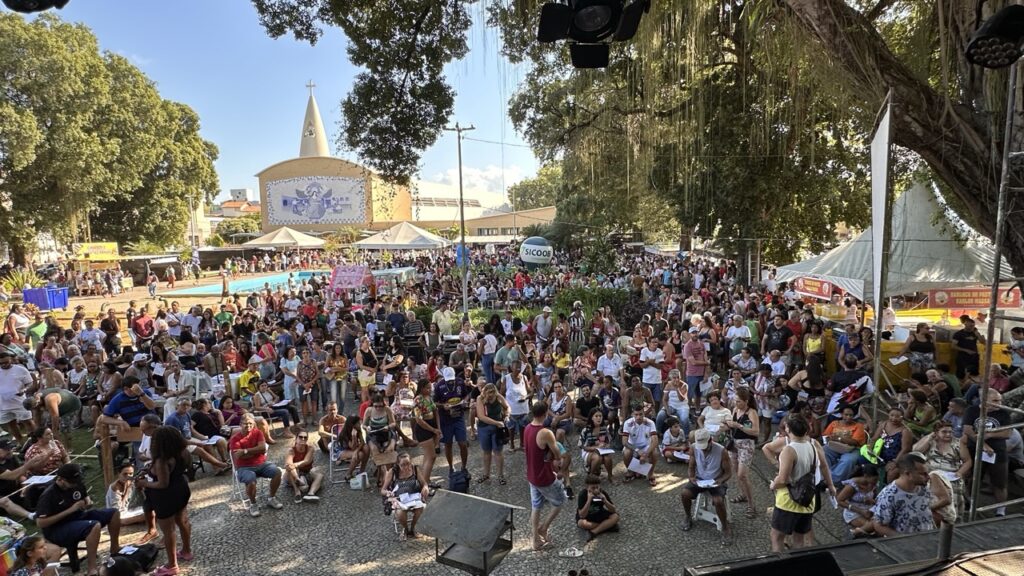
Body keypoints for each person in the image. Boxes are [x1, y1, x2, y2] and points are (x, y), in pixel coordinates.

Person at [36, 463, 121, 576]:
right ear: (60, 479)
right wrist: (70, 510)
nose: (74, 484)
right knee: (94, 526)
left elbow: (85, 497)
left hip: (78, 516)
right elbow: (40, 523)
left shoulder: (77, 483)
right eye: (71, 482)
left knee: (113, 513)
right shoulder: (48, 495)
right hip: (57, 528)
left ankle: (115, 549)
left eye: (76, 481)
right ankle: (92, 568)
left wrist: (88, 502)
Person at [768, 415, 835, 552]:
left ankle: (779, 564)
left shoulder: (789, 450)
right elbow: (824, 466)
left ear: (789, 430)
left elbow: (783, 480)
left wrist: (773, 485)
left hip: (789, 501)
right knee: (799, 538)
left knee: (776, 536)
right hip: (807, 500)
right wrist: (831, 485)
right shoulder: (813, 445)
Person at [135, 426, 193, 576]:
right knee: (182, 520)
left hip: (165, 496)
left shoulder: (162, 460)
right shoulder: (183, 452)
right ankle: (186, 551)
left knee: (169, 531)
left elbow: (162, 484)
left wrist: (143, 483)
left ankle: (172, 565)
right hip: (181, 488)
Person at [524, 400, 566, 552]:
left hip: (532, 475)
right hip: (544, 477)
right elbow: (557, 452)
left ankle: (535, 540)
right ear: (545, 413)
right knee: (560, 501)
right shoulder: (545, 432)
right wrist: (558, 460)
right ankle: (544, 527)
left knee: (536, 506)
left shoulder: (527, 428)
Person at [680, 429, 733, 545]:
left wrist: (720, 480)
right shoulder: (694, 447)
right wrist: (692, 477)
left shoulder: (721, 450)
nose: (703, 449)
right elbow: (691, 466)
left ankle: (725, 527)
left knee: (718, 501)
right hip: (700, 479)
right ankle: (688, 516)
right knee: (685, 493)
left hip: (716, 480)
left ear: (710, 441)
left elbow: (728, 472)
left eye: (705, 446)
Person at [963, 389, 1011, 516]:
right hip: (975, 450)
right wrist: (983, 444)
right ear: (984, 400)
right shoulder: (972, 410)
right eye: (995, 400)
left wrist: (988, 435)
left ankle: (1001, 510)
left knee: (999, 482)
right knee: (973, 479)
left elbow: (1007, 433)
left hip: (998, 452)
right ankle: (969, 505)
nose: (999, 403)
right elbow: (968, 430)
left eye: (1000, 400)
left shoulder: (1003, 413)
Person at [229, 413, 284, 517]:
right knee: (251, 479)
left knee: (277, 472)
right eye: (246, 424)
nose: (248, 426)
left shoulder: (258, 433)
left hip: (261, 464)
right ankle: (253, 504)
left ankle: (271, 498)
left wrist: (245, 451)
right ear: (240, 424)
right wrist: (256, 451)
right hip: (244, 467)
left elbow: (263, 448)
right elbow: (239, 457)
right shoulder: (235, 439)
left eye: (251, 423)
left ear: (254, 423)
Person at [871, 452, 936, 535]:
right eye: (923, 474)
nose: (928, 477)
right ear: (908, 474)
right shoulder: (889, 495)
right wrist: (904, 539)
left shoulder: (923, 488)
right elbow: (879, 525)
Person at [163, 398, 229, 474]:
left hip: (189, 438)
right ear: (177, 406)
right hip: (178, 443)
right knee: (202, 448)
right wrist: (197, 443)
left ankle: (220, 465)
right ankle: (218, 466)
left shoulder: (186, 414)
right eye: (184, 405)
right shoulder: (173, 419)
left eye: (188, 405)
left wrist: (203, 437)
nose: (186, 407)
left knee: (209, 444)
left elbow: (191, 430)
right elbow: (178, 439)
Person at [725, 389, 760, 518]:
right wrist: (727, 426)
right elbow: (732, 427)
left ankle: (752, 505)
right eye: (735, 401)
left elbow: (755, 432)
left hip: (746, 444)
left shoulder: (752, 412)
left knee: (742, 475)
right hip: (734, 443)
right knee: (736, 473)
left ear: (746, 401)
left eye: (739, 401)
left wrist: (738, 426)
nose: (736, 403)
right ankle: (743, 494)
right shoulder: (735, 410)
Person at [381, 452, 430, 540]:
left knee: (420, 509)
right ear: (398, 464)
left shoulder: (415, 469)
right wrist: (388, 493)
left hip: (414, 498)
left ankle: (413, 528)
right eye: (403, 465)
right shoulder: (393, 472)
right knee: (400, 513)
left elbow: (424, 483)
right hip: (400, 500)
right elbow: (383, 490)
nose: (406, 467)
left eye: (408, 464)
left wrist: (425, 488)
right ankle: (406, 529)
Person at [434, 367, 469, 472]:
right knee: (448, 443)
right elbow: (434, 402)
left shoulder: (460, 382)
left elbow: (466, 395)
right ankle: (450, 467)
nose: (451, 382)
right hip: (445, 418)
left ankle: (464, 466)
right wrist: (443, 405)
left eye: (452, 380)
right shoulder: (439, 386)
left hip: (459, 416)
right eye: (448, 380)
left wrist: (464, 401)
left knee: (462, 443)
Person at [822, 406, 869, 482]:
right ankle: (825, 475)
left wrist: (839, 438)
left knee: (848, 460)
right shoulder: (834, 423)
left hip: (852, 449)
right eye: (846, 414)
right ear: (841, 414)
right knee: (822, 451)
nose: (849, 417)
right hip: (834, 447)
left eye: (851, 415)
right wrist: (828, 438)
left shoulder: (858, 426)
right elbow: (825, 435)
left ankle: (833, 481)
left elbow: (855, 442)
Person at [475, 383, 508, 485]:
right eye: (489, 393)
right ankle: (486, 474)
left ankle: (500, 475)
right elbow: (481, 416)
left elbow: (507, 407)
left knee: (498, 451)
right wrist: (496, 423)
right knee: (486, 451)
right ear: (485, 392)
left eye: (493, 392)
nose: (491, 395)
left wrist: (507, 416)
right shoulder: (480, 399)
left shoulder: (498, 397)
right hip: (484, 427)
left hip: (497, 429)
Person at [0, 352, 35, 441]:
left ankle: (36, 441)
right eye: (1, 363)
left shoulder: (20, 370)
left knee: (28, 422)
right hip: (3, 404)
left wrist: (24, 390)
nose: (4, 365)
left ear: (11, 360)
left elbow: (30, 383)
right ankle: (21, 443)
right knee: (11, 424)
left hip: (19, 402)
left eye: (6, 362)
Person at [836, 464, 879, 537]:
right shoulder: (852, 486)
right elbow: (840, 501)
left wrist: (871, 500)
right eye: (874, 480)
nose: (876, 483)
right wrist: (860, 511)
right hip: (854, 513)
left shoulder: (872, 484)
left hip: (868, 510)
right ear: (865, 476)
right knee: (872, 527)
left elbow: (874, 497)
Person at [621, 405, 658, 486]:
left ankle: (650, 473)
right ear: (632, 414)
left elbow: (655, 441)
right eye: (636, 414)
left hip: (646, 447)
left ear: (644, 414)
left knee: (654, 452)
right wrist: (637, 450)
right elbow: (624, 442)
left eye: (640, 414)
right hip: (633, 447)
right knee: (626, 452)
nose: (638, 417)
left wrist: (646, 454)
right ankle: (631, 472)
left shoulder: (650, 423)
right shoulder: (627, 423)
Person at [576, 474, 620, 541]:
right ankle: (608, 526)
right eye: (593, 488)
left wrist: (605, 500)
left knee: (615, 517)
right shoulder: (582, 494)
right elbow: (582, 515)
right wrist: (589, 500)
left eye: (597, 487)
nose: (596, 490)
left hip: (599, 513)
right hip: (588, 515)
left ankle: (593, 532)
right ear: (587, 487)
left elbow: (613, 510)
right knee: (581, 523)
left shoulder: (602, 492)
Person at [284, 431, 323, 503]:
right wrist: (293, 468)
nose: (303, 439)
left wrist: (294, 465)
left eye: (305, 437)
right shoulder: (291, 450)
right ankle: (297, 491)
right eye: (300, 437)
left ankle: (311, 494)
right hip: (294, 474)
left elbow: (306, 461)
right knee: (289, 468)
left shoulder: (310, 448)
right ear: (296, 439)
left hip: (306, 472)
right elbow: (289, 464)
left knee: (320, 476)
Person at [580, 408, 615, 482]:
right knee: (597, 458)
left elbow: (608, 441)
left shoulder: (604, 429)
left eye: (600, 416)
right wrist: (594, 448)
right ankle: (591, 476)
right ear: (592, 417)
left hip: (602, 450)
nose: (599, 418)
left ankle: (610, 475)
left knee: (607, 458)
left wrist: (606, 445)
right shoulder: (586, 430)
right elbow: (581, 445)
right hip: (588, 451)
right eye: (596, 416)